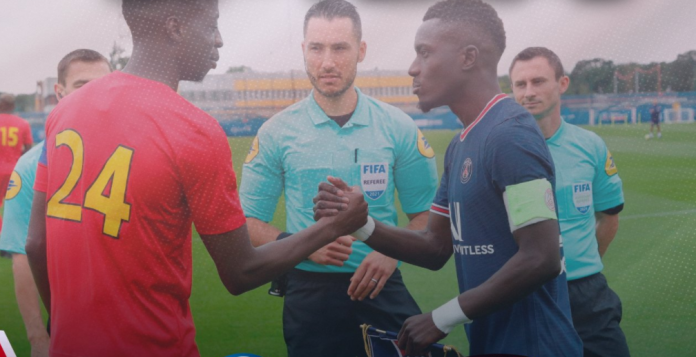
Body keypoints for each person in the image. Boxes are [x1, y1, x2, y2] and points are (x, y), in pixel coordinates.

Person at [24, 1, 368, 356]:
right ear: (174, 28)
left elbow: (36, 243)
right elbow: (241, 272)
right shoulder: (193, 131)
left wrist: (63, 324)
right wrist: (333, 226)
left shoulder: (64, 112)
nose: (219, 40)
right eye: (212, 25)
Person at [313, 1, 583, 356]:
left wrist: (443, 316)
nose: (413, 68)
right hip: (492, 342)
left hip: (537, 345)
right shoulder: (461, 145)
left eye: (424, 53)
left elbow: (541, 257)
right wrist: (360, 224)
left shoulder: (510, 134)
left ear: (468, 58)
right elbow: (435, 248)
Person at [239, 1, 438, 356]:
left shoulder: (397, 127)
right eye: (316, 48)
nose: (327, 62)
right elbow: (246, 220)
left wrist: (392, 254)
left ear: (361, 51)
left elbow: (427, 216)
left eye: (340, 47)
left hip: (381, 284)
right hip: (308, 291)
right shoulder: (276, 133)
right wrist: (301, 244)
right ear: (304, 50)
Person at [509, 46, 629, 357]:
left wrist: (582, 266)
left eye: (538, 81)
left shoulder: (590, 146)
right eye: (520, 85)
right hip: (523, 293)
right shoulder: (498, 149)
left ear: (562, 84)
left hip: (586, 294)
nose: (529, 92)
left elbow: (609, 216)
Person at [0, 48, 112, 357]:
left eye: (101, 85)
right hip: (69, 320)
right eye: (81, 85)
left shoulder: (139, 155)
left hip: (141, 321)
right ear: (59, 92)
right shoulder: (31, 165)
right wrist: (38, 338)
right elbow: (24, 255)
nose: (92, 94)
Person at [0, 93, 34, 234]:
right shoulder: (22, 123)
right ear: (13, 106)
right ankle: (13, 238)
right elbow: (28, 150)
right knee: (16, 206)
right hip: (15, 171)